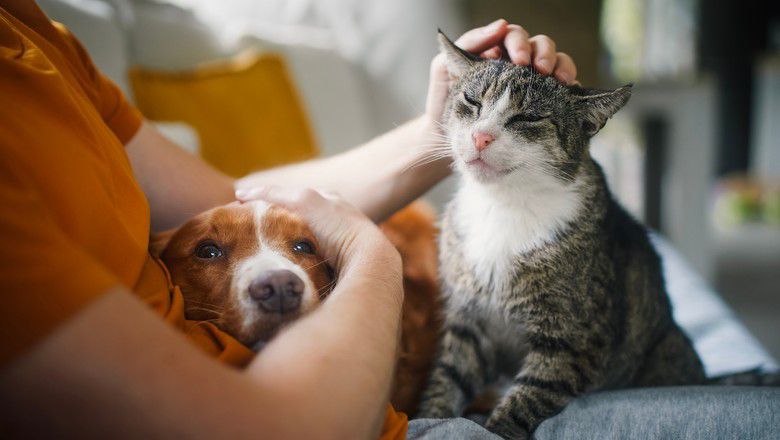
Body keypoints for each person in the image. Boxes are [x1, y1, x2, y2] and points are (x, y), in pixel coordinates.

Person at [0, 1, 578, 438]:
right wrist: (369, 254)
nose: (279, 278)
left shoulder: (40, 39)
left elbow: (237, 201)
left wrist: (436, 134)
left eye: (304, 251)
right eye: (207, 253)